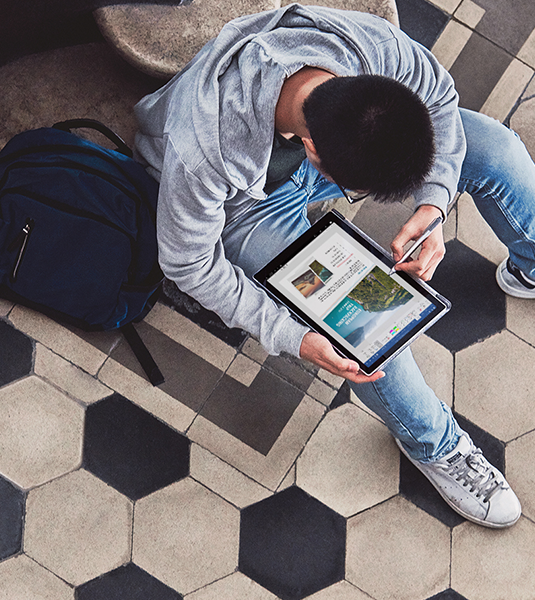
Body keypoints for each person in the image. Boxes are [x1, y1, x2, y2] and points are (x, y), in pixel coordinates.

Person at [134, 3, 534, 528]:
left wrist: (434, 206)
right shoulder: (205, 147)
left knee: (498, 149)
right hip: (242, 205)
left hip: (294, 155)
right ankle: (434, 443)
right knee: (362, 331)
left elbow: (438, 97)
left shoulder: (365, 46)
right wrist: (291, 335)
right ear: (313, 151)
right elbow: (188, 264)